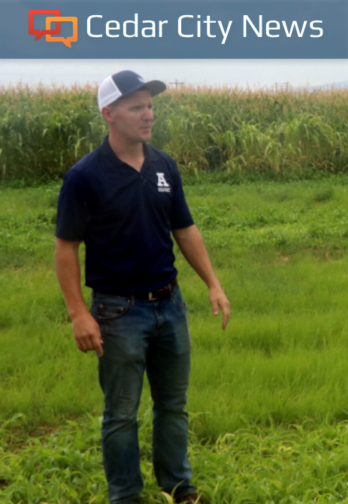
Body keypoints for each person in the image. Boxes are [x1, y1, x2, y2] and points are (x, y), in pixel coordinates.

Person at [54, 70, 231, 504]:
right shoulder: (85, 176)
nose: (148, 114)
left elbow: (184, 229)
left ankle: (178, 486)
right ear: (109, 114)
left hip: (169, 305)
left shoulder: (163, 165)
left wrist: (213, 283)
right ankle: (125, 496)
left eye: (150, 105)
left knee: (173, 405)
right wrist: (79, 313)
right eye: (137, 107)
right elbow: (65, 248)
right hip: (117, 313)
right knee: (121, 414)